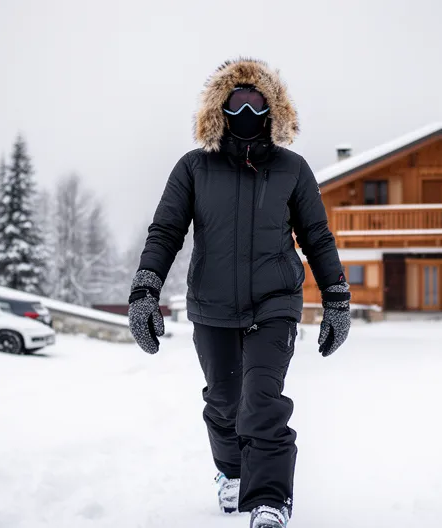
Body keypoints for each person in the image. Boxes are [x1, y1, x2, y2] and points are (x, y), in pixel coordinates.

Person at [127, 58, 351, 528]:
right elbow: (166, 230)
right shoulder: (194, 168)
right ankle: (231, 471)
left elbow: (318, 236)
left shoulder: (292, 169)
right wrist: (146, 289)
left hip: (275, 304)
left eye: (257, 101)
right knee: (224, 404)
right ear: (220, 109)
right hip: (212, 306)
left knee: (262, 401)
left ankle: (269, 500)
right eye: (237, 102)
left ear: (272, 109)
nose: (247, 110)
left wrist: (337, 298)